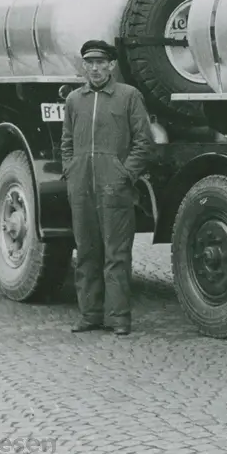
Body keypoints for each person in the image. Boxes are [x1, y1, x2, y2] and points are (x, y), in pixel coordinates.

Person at [60, 39, 153, 335]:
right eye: (90, 63)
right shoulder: (75, 100)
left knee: (116, 254)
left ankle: (119, 319)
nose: (96, 68)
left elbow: (143, 141)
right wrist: (71, 170)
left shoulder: (128, 96)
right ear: (84, 66)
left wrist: (125, 174)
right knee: (86, 252)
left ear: (112, 65)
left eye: (101, 63)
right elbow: (66, 141)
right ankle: (90, 316)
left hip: (115, 187)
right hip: (82, 187)